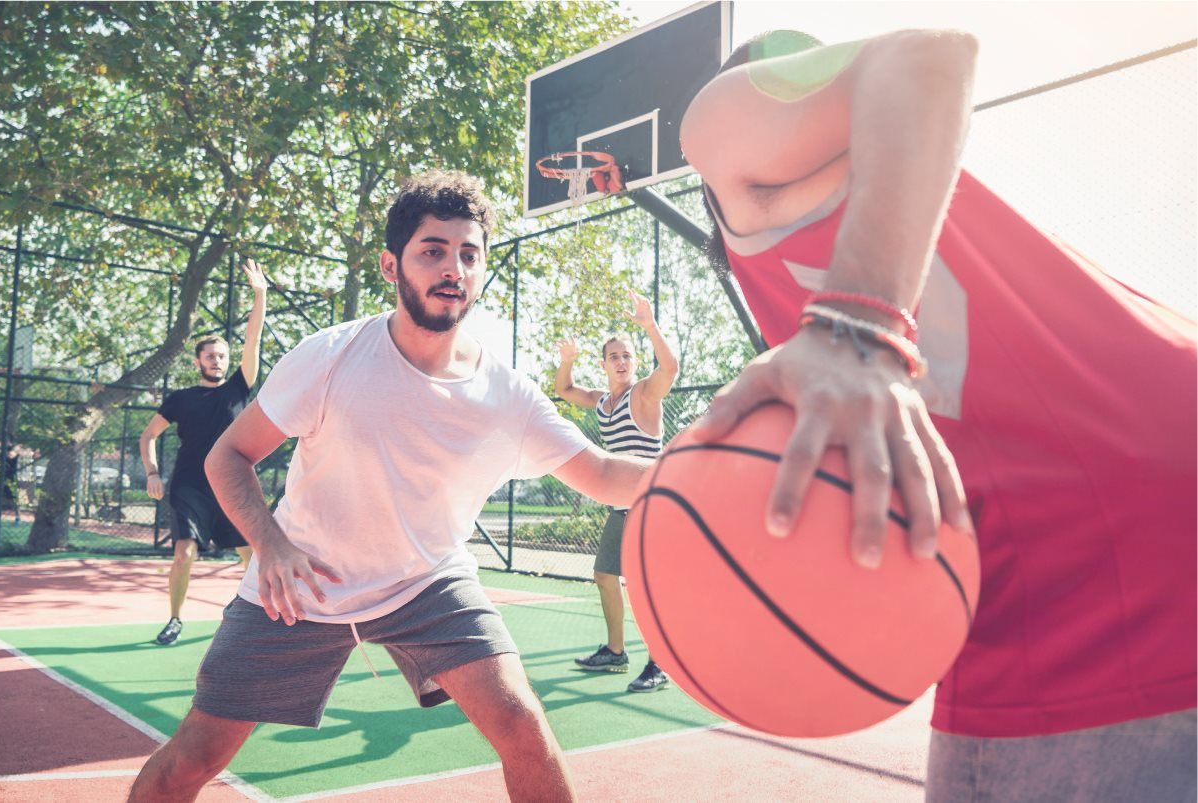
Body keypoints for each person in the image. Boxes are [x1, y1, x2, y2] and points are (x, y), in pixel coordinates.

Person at [679, 29, 1195, 799]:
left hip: (1096, 549)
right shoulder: (846, 255)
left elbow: (927, 56)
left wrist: (858, 324)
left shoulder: (722, 127)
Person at [128, 171, 652, 803]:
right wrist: (270, 545)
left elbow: (603, 474)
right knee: (194, 758)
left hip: (427, 582)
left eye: (468, 253)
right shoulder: (331, 356)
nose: (452, 267)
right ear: (390, 264)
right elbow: (228, 457)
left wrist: (711, 472)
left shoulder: (506, 394)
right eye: (432, 250)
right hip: (305, 583)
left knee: (521, 724)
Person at [138, 258, 269, 646]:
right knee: (185, 552)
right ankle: (176, 619)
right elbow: (148, 436)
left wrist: (260, 294)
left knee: (253, 560)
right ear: (198, 361)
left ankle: (266, 618)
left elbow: (254, 340)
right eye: (211, 356)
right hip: (189, 486)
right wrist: (151, 472)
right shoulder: (181, 398)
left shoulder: (239, 388)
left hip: (230, 485)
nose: (218, 361)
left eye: (222, 356)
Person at [554, 291, 678, 693]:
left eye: (627, 355)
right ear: (605, 364)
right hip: (621, 509)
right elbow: (564, 390)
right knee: (606, 575)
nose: (621, 361)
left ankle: (659, 665)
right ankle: (615, 652)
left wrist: (649, 326)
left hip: (652, 507)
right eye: (614, 357)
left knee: (650, 588)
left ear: (634, 362)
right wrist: (567, 360)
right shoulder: (603, 402)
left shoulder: (644, 394)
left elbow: (671, 367)